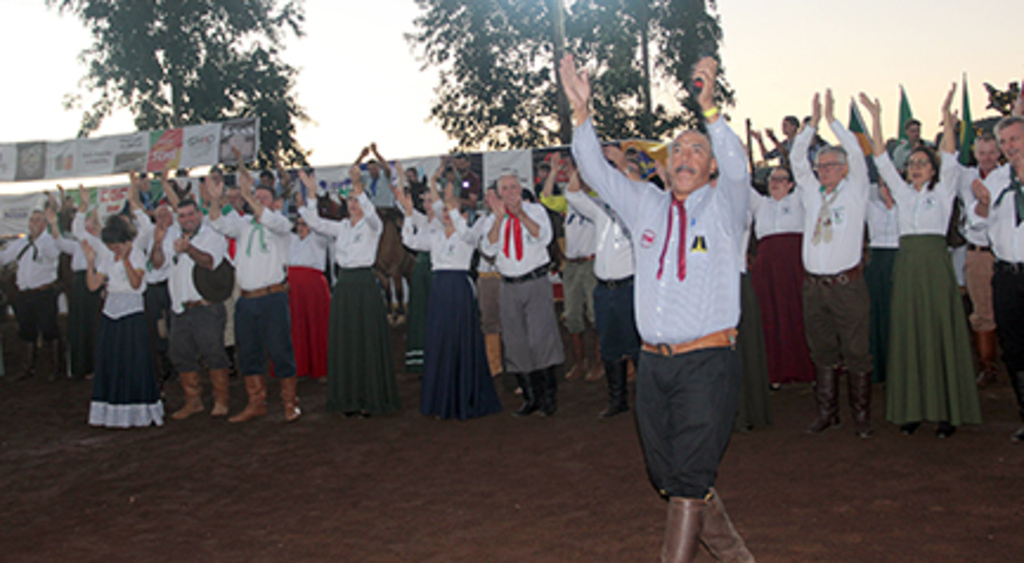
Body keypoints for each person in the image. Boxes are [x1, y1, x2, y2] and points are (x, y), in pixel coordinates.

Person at [563, 53, 754, 562]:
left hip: (707, 363)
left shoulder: (726, 206)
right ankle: (737, 557)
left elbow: (739, 169)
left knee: (690, 479)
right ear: (665, 166)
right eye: (678, 150)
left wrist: (709, 110)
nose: (686, 155)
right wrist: (582, 115)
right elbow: (596, 174)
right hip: (653, 365)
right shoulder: (645, 205)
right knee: (666, 476)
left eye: (697, 149)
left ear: (710, 165)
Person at [861, 86, 981, 438]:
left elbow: (950, 151)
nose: (915, 167)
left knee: (939, 334)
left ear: (933, 169)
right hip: (907, 267)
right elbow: (880, 157)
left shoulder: (942, 192)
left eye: (922, 163)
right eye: (912, 163)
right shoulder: (900, 194)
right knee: (909, 336)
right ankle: (912, 409)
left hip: (934, 267)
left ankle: (947, 412)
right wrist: (877, 118)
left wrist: (945, 113)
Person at [793, 89, 874, 439]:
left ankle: (861, 416)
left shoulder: (855, 190)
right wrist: (809, 125)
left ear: (843, 170)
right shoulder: (811, 194)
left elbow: (856, 150)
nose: (821, 170)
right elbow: (797, 158)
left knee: (856, 350)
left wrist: (832, 120)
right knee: (822, 350)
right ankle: (828, 413)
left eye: (828, 166)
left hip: (847, 286)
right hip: (814, 287)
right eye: (820, 166)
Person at [395, 167, 503, 420]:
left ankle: (465, 395)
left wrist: (452, 204)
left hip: (459, 289)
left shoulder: (470, 232)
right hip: (440, 289)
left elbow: (468, 236)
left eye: (451, 211)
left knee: (461, 340)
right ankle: (440, 397)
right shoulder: (434, 235)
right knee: (440, 341)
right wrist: (409, 213)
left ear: (463, 214)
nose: (446, 215)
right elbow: (409, 242)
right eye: (443, 211)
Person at [298, 166, 400, 417]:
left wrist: (358, 186)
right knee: (348, 343)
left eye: (358, 200)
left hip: (365, 284)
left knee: (367, 342)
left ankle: (371, 398)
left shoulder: (373, 225)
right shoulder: (341, 227)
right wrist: (311, 194)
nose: (354, 204)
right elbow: (313, 222)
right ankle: (349, 399)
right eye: (351, 200)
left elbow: (372, 214)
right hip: (344, 287)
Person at [208, 151, 300, 423]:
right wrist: (215, 200)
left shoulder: (280, 223)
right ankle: (256, 402)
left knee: (281, 349)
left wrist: (248, 196)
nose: (258, 202)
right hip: (246, 300)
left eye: (264, 198)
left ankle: (289, 403)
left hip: (273, 297)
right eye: (256, 198)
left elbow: (266, 217)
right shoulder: (244, 224)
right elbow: (217, 222)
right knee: (248, 351)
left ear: (275, 203)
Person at [480, 170, 565, 418]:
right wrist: (498, 220)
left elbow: (544, 236)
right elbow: (488, 248)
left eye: (513, 187)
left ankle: (549, 397)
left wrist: (521, 216)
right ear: (498, 193)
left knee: (541, 339)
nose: (510, 192)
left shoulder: (535, 210)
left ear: (520, 189)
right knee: (515, 342)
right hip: (508, 285)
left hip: (535, 281)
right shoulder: (492, 218)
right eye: (504, 189)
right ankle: (530, 398)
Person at [565, 149, 639, 418]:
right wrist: (582, 167)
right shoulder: (601, 212)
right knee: (609, 345)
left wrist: (621, 166)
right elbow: (572, 195)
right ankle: (617, 400)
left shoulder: (638, 213)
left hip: (629, 288)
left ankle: (645, 399)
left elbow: (637, 190)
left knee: (636, 344)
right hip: (604, 289)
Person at [967, 110, 1024, 442]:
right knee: (1015, 348)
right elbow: (975, 227)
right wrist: (984, 205)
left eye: (1014, 139)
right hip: (1005, 274)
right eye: (1004, 142)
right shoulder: (997, 180)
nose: (1009, 147)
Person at [150, 195, 232, 420]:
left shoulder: (212, 235)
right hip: (180, 308)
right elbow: (157, 263)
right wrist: (157, 242)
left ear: (199, 215)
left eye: (190, 214)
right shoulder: (170, 236)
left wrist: (189, 249)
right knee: (181, 355)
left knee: (214, 353)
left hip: (206, 306)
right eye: (182, 215)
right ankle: (193, 401)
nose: (187, 219)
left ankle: (221, 400)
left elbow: (209, 262)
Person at [82, 213, 163, 428]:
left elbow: (136, 284)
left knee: (133, 361)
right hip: (110, 314)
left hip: (132, 315)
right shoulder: (107, 257)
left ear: (126, 241)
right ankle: (111, 410)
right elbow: (93, 285)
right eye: (110, 245)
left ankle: (137, 410)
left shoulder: (136, 255)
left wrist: (126, 259)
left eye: (116, 245)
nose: (113, 249)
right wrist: (90, 262)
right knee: (111, 361)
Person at [748, 166, 815, 387]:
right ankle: (774, 372)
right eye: (771, 178)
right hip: (767, 270)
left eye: (781, 179)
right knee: (770, 315)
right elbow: (739, 184)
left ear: (791, 184)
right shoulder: (760, 204)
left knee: (799, 312)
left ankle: (808, 369)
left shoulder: (799, 201)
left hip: (794, 267)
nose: (774, 182)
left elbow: (804, 172)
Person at [539, 152, 601, 381]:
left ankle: (598, 362)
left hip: (591, 262)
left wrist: (579, 171)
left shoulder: (597, 197)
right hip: (572, 265)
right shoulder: (567, 200)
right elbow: (546, 197)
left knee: (595, 315)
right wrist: (554, 171)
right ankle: (580, 362)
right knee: (572, 315)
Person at [958, 133, 1002, 386]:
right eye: (982, 153)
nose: (987, 158)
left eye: (992, 152)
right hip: (978, 251)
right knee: (982, 312)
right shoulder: (967, 177)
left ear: (1000, 154)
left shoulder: (1010, 176)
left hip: (1006, 254)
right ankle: (988, 366)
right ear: (975, 153)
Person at [0, 205, 63, 381]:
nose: (33, 223)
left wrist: (43, 235)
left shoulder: (49, 241)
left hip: (44, 292)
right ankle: (28, 368)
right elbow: (5, 258)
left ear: (44, 223)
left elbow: (54, 254)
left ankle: (56, 368)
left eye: (37, 220)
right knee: (26, 330)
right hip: (25, 294)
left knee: (49, 329)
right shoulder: (21, 243)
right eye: (31, 220)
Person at [863, 179, 899, 384]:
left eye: (890, 185)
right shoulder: (871, 207)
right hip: (877, 262)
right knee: (876, 314)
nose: (886, 190)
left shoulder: (906, 207)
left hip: (899, 260)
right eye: (882, 186)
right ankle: (879, 366)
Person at [286, 214, 330, 381]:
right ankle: (299, 366)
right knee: (296, 327)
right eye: (299, 224)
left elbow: (320, 226)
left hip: (313, 289)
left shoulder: (319, 239)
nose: (301, 227)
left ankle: (321, 368)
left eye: (305, 224)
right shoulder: (291, 240)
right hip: (293, 289)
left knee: (317, 325)